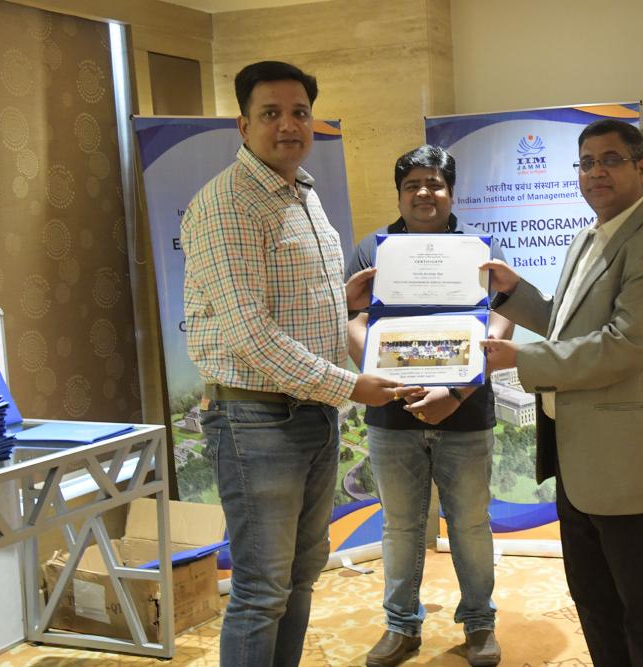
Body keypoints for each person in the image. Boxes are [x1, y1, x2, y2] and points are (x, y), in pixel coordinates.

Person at [181, 60, 412, 667]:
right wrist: (351, 386)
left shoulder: (302, 193)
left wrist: (344, 298)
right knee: (261, 590)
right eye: (271, 113)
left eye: (299, 113)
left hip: (311, 416)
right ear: (243, 125)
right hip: (256, 422)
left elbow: (289, 301)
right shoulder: (229, 204)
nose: (288, 125)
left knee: (301, 574)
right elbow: (251, 335)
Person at [481, 119, 643, 666]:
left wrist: (521, 358)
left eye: (610, 159)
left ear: (642, 168)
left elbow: (624, 345)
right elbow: (565, 323)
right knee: (597, 605)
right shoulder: (586, 238)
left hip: (632, 471)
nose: (596, 172)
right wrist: (514, 293)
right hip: (579, 463)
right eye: (586, 162)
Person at [345, 145, 514, 667]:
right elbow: (353, 321)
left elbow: (502, 320)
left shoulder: (480, 249)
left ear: (451, 191)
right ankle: (401, 627)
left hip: (466, 413)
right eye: (412, 184)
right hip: (391, 415)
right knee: (399, 526)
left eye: (434, 183)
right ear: (399, 194)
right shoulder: (372, 250)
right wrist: (390, 382)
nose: (424, 192)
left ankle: (480, 624)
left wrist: (457, 391)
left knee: (470, 524)